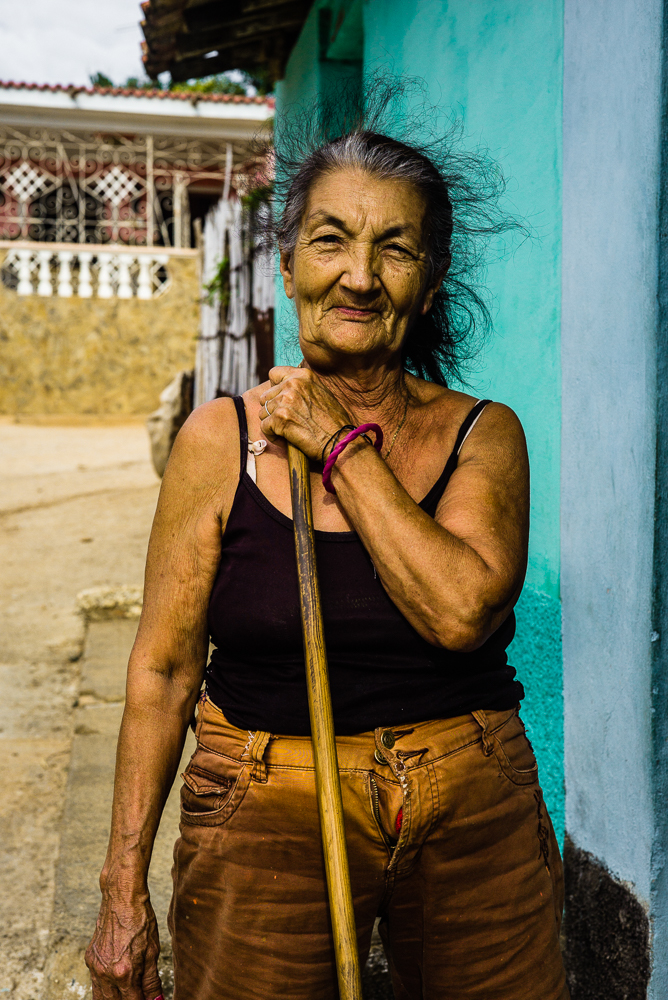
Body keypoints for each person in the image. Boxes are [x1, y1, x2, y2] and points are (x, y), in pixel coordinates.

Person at [86, 126, 569, 1000]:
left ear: (429, 285)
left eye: (395, 250)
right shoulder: (218, 442)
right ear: (287, 268)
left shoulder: (484, 434)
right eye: (330, 240)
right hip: (264, 803)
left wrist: (340, 444)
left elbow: (461, 611)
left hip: (472, 805)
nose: (359, 276)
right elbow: (162, 672)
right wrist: (122, 891)